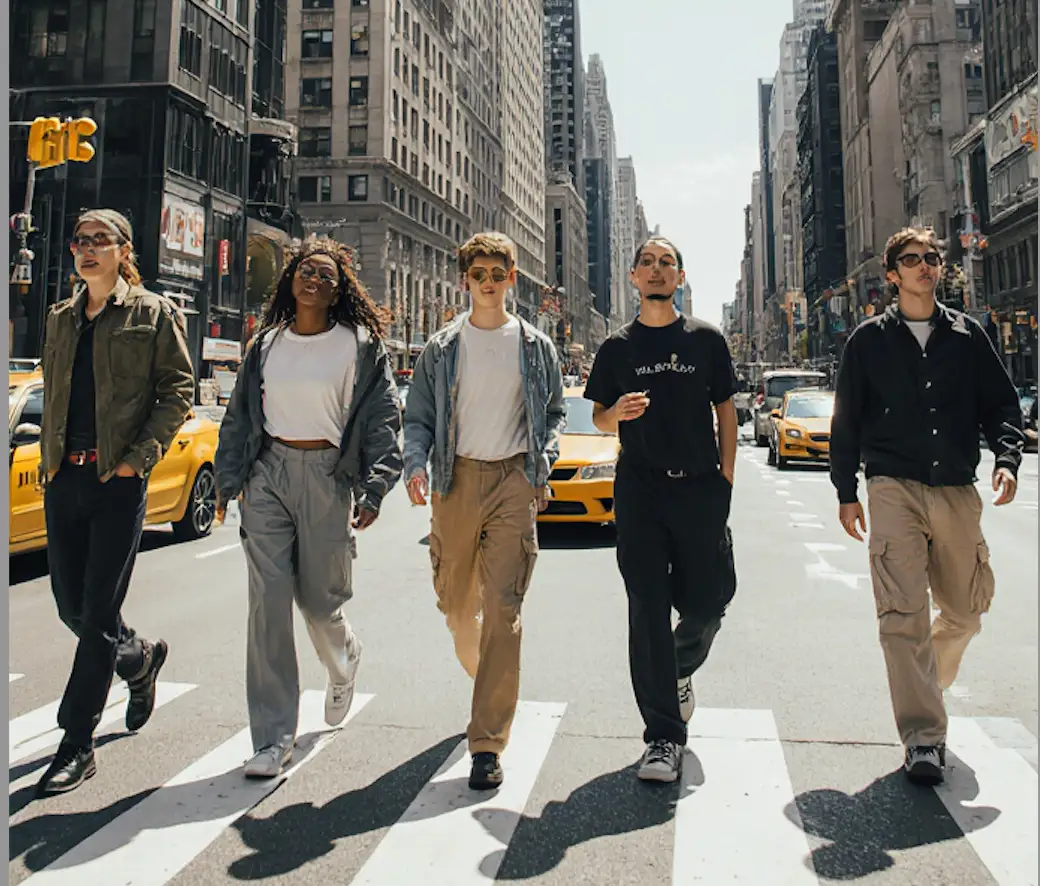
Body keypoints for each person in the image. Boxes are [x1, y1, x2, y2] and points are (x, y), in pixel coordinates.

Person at [830, 226, 1024, 785]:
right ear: (892, 275)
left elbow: (1001, 404)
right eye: (911, 260)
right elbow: (846, 420)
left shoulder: (968, 335)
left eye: (931, 258)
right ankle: (923, 737)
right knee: (903, 616)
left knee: (966, 611)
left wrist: (1006, 460)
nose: (924, 267)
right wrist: (846, 491)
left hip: (957, 487)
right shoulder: (867, 341)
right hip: (892, 486)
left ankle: (923, 681)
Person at [214, 237, 402, 779]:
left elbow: (383, 419)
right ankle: (272, 738)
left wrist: (375, 486)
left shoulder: (360, 346)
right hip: (267, 472)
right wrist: (232, 477)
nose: (315, 279)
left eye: (327, 274)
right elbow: (240, 414)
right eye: (306, 270)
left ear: (341, 288)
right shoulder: (266, 343)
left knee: (320, 606)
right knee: (268, 604)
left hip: (327, 476)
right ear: (291, 279)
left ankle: (344, 662)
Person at [35, 209, 195, 797]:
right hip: (63, 480)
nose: (87, 249)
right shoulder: (58, 318)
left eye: (101, 241)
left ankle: (77, 741)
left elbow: (179, 389)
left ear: (123, 251)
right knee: (71, 608)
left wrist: (137, 459)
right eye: (81, 240)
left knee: (97, 611)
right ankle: (140, 658)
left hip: (116, 482)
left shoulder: (152, 314)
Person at [403, 232, 566, 790]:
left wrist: (541, 462)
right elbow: (418, 415)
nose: (489, 282)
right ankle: (486, 676)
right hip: (455, 479)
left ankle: (487, 742)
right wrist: (415, 465)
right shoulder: (443, 347)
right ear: (465, 280)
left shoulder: (536, 345)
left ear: (512, 279)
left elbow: (554, 412)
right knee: (455, 606)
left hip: (512, 481)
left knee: (504, 608)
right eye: (479, 274)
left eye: (499, 273)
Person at [584, 236, 739, 784]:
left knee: (709, 603)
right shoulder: (616, 348)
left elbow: (726, 412)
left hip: (699, 489)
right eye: (646, 263)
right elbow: (599, 417)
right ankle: (662, 736)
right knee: (646, 608)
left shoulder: (706, 340)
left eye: (666, 263)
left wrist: (725, 481)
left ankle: (677, 669)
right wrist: (616, 415)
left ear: (680, 276)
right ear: (633, 277)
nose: (656, 270)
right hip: (641, 491)